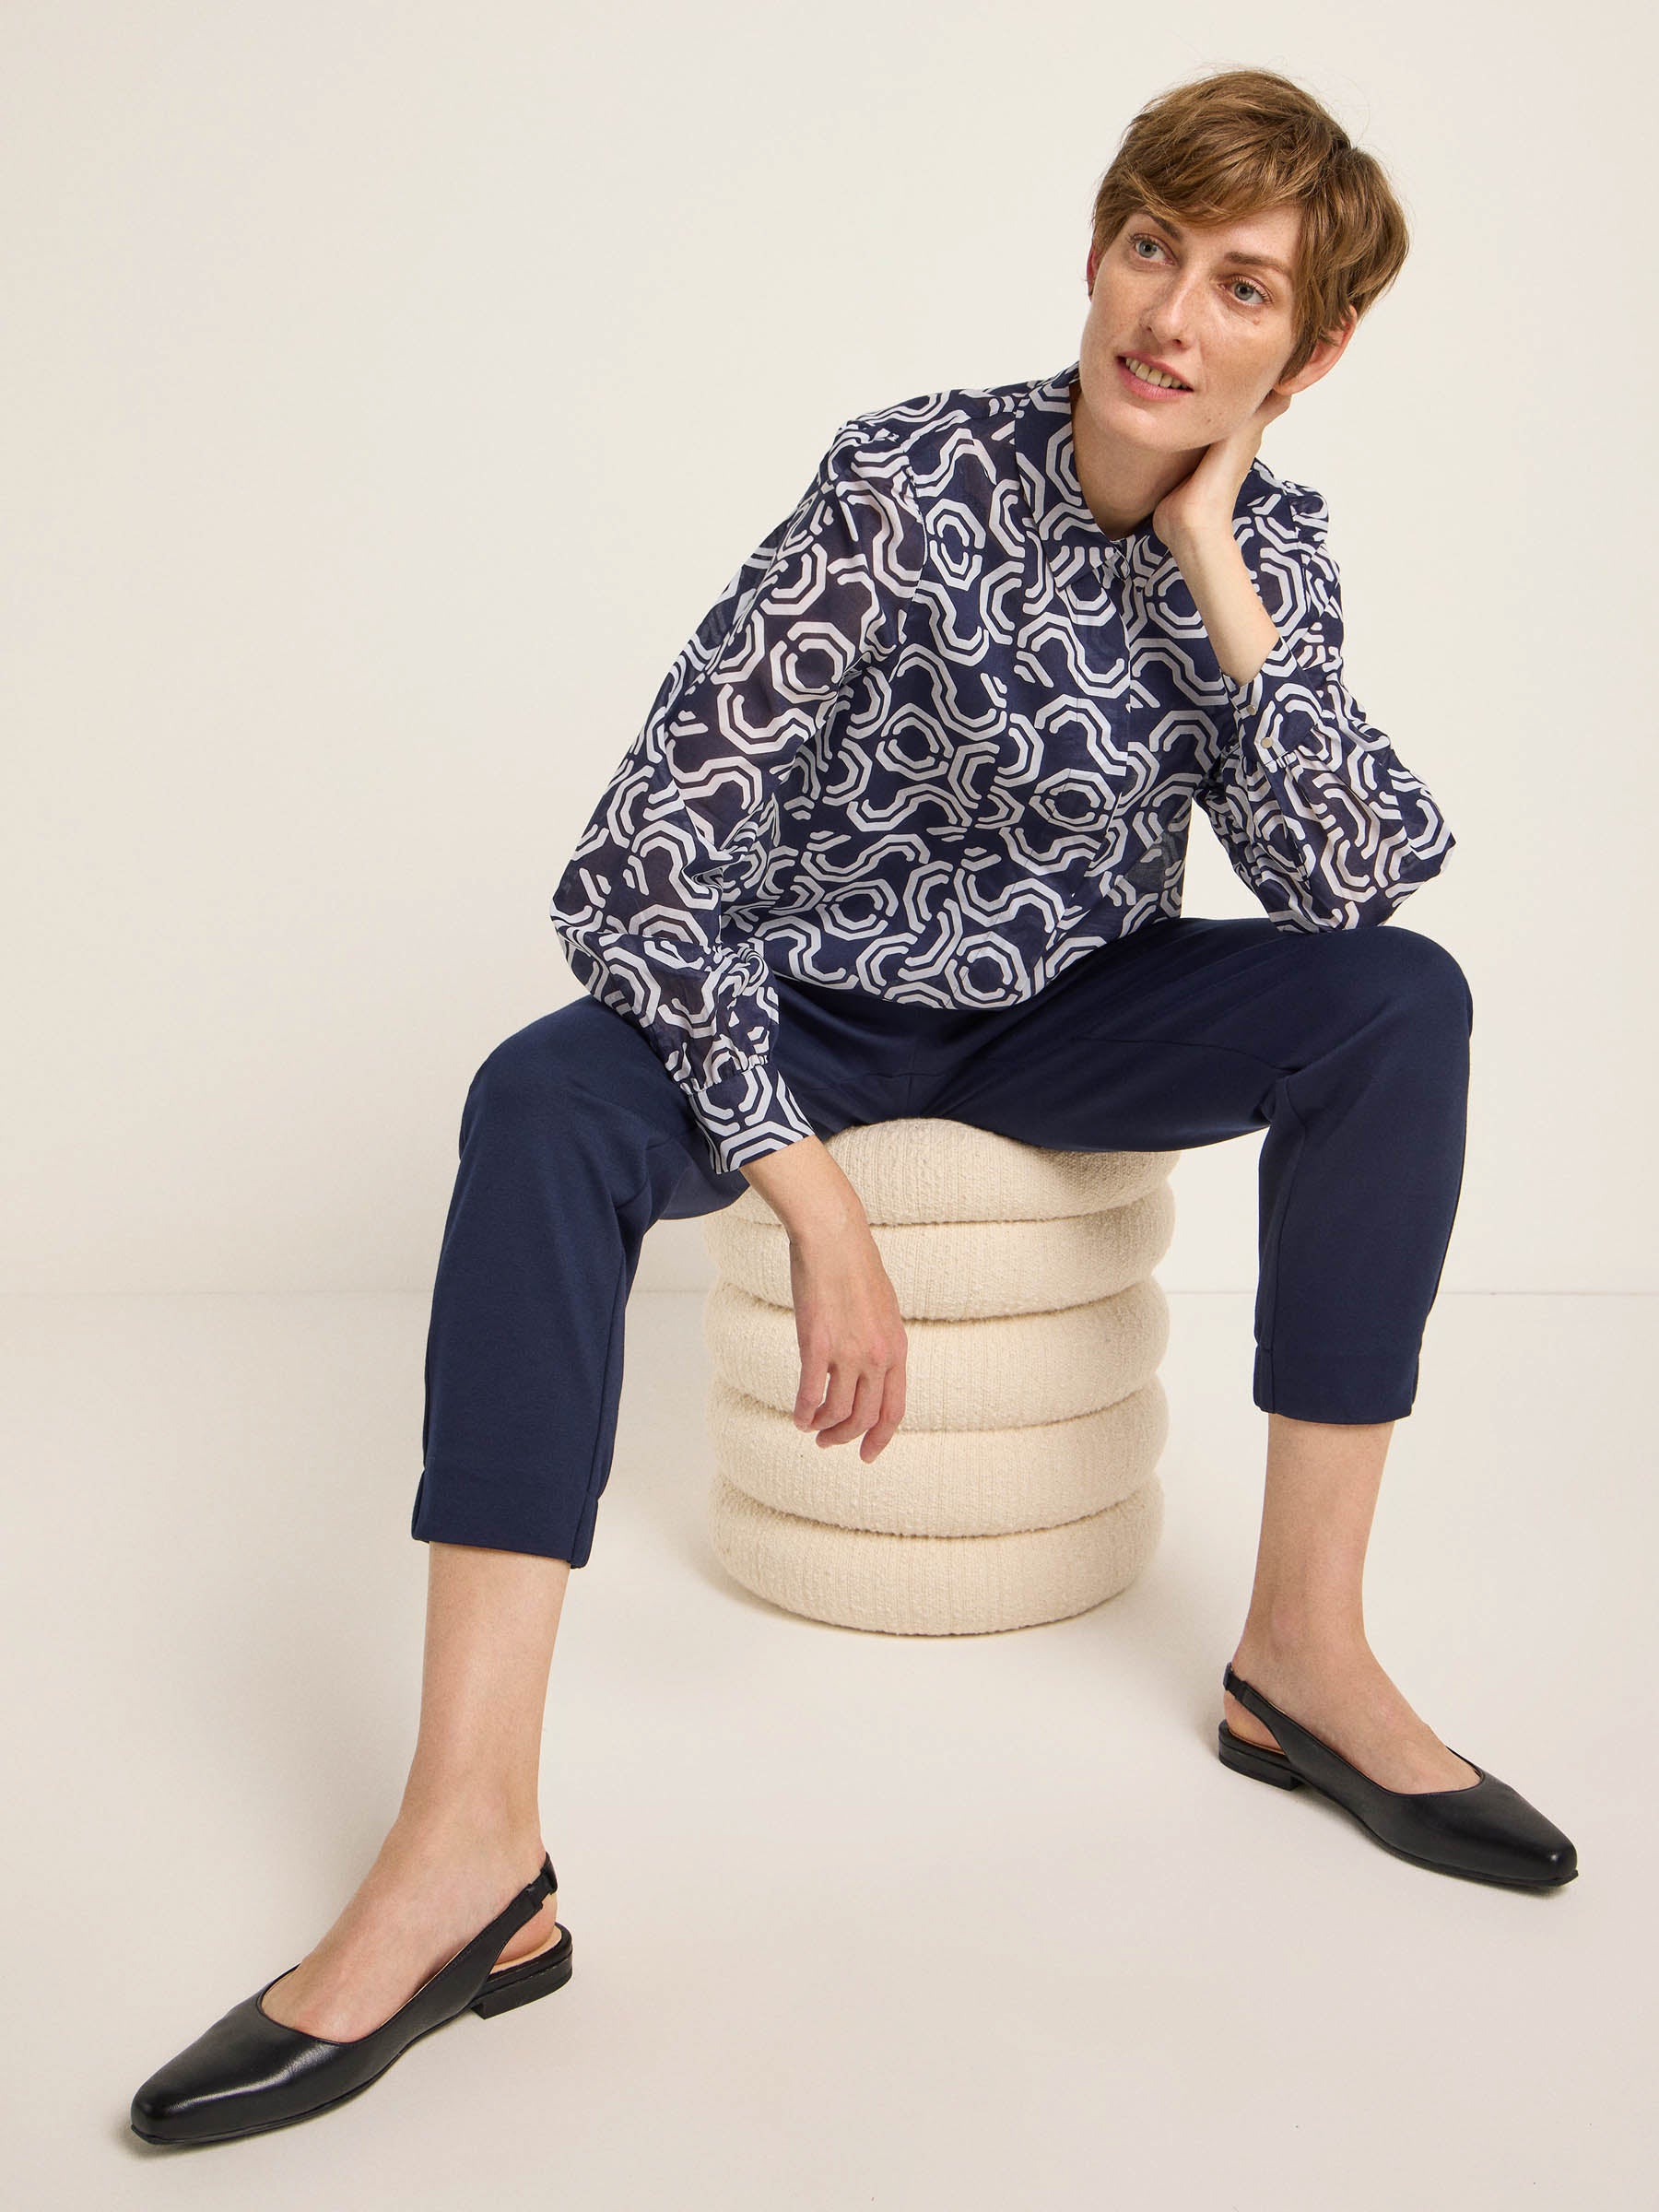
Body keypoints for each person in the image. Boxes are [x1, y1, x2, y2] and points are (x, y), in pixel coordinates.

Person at [129, 63, 1577, 2150]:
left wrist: (1216, 563)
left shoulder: (1275, 550)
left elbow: (1350, 888)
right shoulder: (905, 483)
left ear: (1312, 352)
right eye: (1152, 247)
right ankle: (469, 1852)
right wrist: (810, 1197)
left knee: (1401, 1010)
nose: (1171, 316)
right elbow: (640, 858)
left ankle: (1305, 1659)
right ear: (1100, 249)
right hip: (804, 1003)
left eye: (1243, 289)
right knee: (537, 1102)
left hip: (1073, 1011)